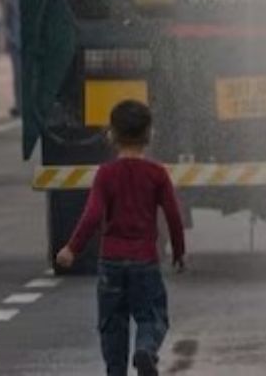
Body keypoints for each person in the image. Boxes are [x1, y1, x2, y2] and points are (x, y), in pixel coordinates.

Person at [55, 100, 187, 376]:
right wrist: (178, 251)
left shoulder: (106, 174)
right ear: (150, 134)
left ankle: (116, 371)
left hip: (111, 262)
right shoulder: (157, 173)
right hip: (145, 261)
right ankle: (145, 349)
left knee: (112, 325)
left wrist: (71, 249)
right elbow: (174, 215)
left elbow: (92, 216)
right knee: (152, 316)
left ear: (111, 134)